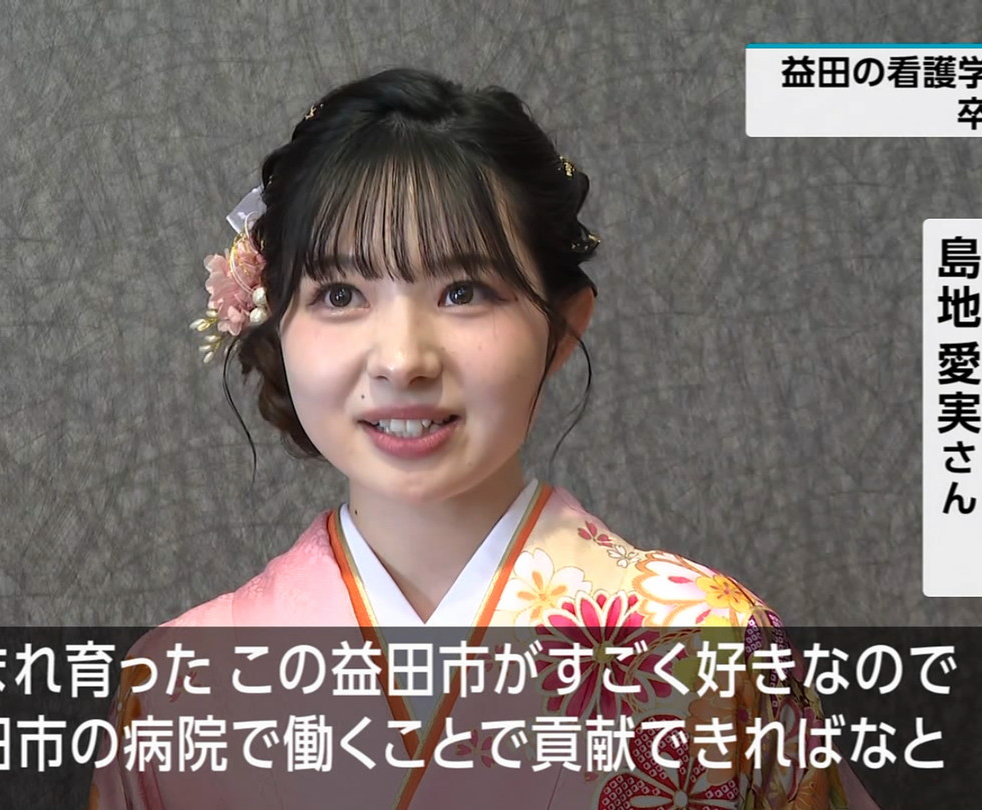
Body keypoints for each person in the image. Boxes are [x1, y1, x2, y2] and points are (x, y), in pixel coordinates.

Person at [89, 66, 878, 810]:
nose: (403, 359)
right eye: (340, 294)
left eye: (463, 291)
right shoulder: (179, 685)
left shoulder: (710, 646)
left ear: (563, 327)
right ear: (275, 325)